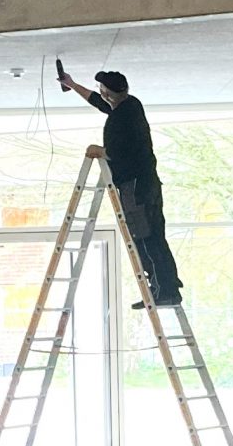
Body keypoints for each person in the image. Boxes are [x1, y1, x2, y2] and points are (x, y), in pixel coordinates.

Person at [59, 64, 180, 307]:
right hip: (148, 184)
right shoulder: (131, 105)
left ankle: (163, 290)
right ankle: (168, 285)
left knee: (145, 238)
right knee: (155, 236)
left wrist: (97, 150)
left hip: (135, 189)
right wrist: (72, 84)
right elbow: (100, 102)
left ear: (108, 93)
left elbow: (115, 153)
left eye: (101, 89)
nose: (99, 92)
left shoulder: (118, 121)